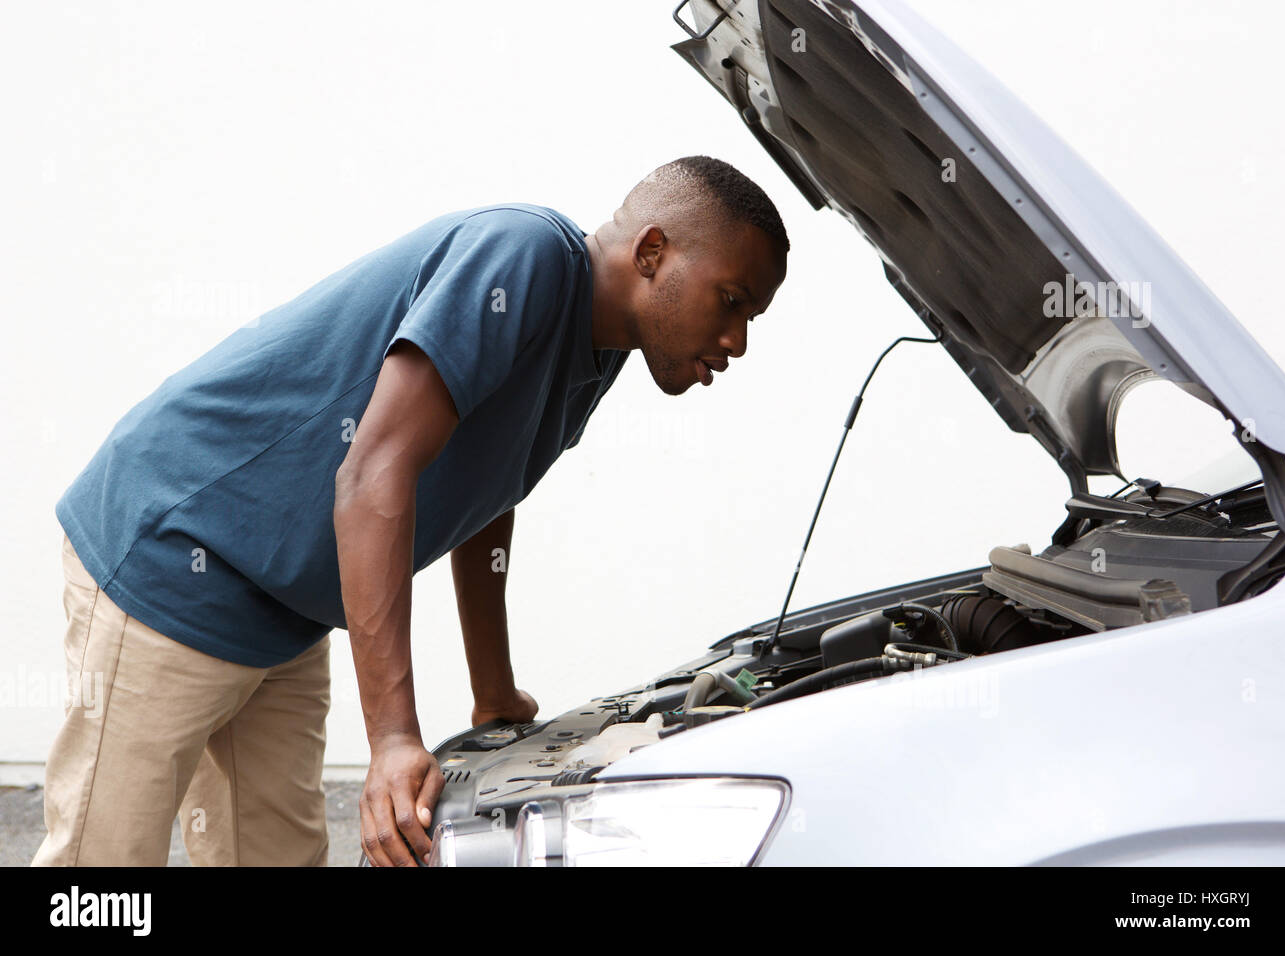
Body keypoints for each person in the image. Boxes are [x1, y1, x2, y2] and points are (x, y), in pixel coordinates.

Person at [33, 154, 789, 867]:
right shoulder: (521, 257)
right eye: (732, 300)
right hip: (175, 555)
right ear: (653, 250)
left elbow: (488, 489)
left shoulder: (600, 348)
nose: (740, 341)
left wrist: (491, 686)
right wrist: (393, 740)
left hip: (285, 613)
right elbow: (373, 473)